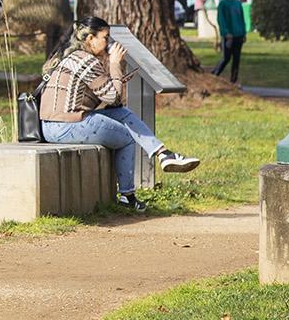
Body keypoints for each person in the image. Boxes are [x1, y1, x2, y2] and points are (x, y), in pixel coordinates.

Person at [38, 17, 200, 210]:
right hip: (63, 127)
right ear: (90, 38)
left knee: (123, 114)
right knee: (125, 138)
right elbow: (112, 96)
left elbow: (112, 103)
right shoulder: (86, 61)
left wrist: (114, 70)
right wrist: (115, 64)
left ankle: (164, 154)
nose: (109, 43)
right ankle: (127, 196)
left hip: (56, 124)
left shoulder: (75, 57)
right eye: (105, 37)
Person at [212, 0, 248, 83]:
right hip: (228, 36)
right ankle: (215, 74)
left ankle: (233, 80)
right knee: (226, 58)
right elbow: (221, 19)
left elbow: (241, 19)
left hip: (238, 35)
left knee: (236, 59)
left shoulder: (237, 3)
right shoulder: (223, 3)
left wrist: (244, 33)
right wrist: (226, 32)